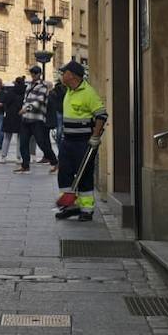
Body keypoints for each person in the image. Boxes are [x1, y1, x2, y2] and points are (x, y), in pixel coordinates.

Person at [56, 61, 108, 221]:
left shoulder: (88, 93)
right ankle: (71, 205)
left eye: (64, 72)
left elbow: (101, 115)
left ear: (72, 75)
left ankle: (86, 210)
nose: (62, 75)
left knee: (84, 174)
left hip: (83, 142)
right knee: (64, 172)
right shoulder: (69, 91)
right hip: (67, 141)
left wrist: (95, 136)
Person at [17, 66, 57, 174]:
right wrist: (24, 110)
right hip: (26, 118)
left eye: (35, 73)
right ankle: (25, 166)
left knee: (42, 143)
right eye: (32, 73)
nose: (33, 75)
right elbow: (26, 100)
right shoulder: (29, 85)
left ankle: (55, 162)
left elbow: (39, 101)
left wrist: (26, 109)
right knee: (23, 143)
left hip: (37, 119)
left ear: (40, 74)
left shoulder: (43, 86)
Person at [0, 77, 25, 164]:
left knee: (7, 137)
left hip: (10, 116)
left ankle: (3, 157)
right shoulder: (24, 92)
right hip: (20, 115)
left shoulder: (11, 92)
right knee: (20, 138)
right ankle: (19, 158)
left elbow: (5, 102)